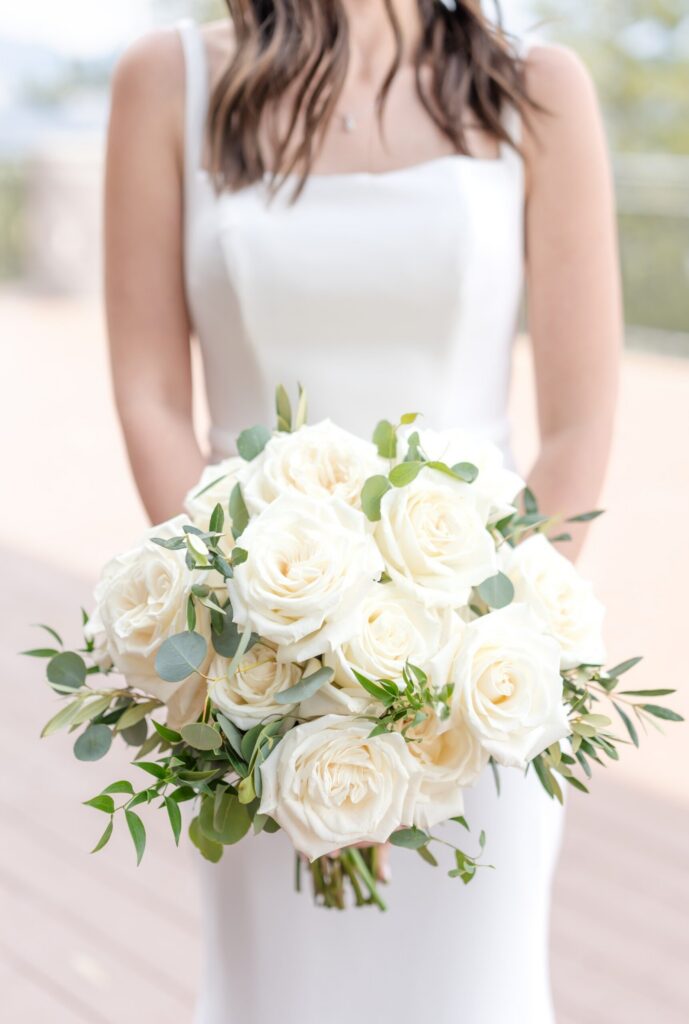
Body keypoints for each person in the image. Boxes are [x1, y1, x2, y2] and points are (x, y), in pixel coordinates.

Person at [103, 2, 621, 1021]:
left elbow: (574, 430)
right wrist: (260, 651)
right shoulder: (166, 81)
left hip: (474, 688)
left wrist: (479, 650)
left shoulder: (539, 90)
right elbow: (154, 399)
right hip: (256, 683)